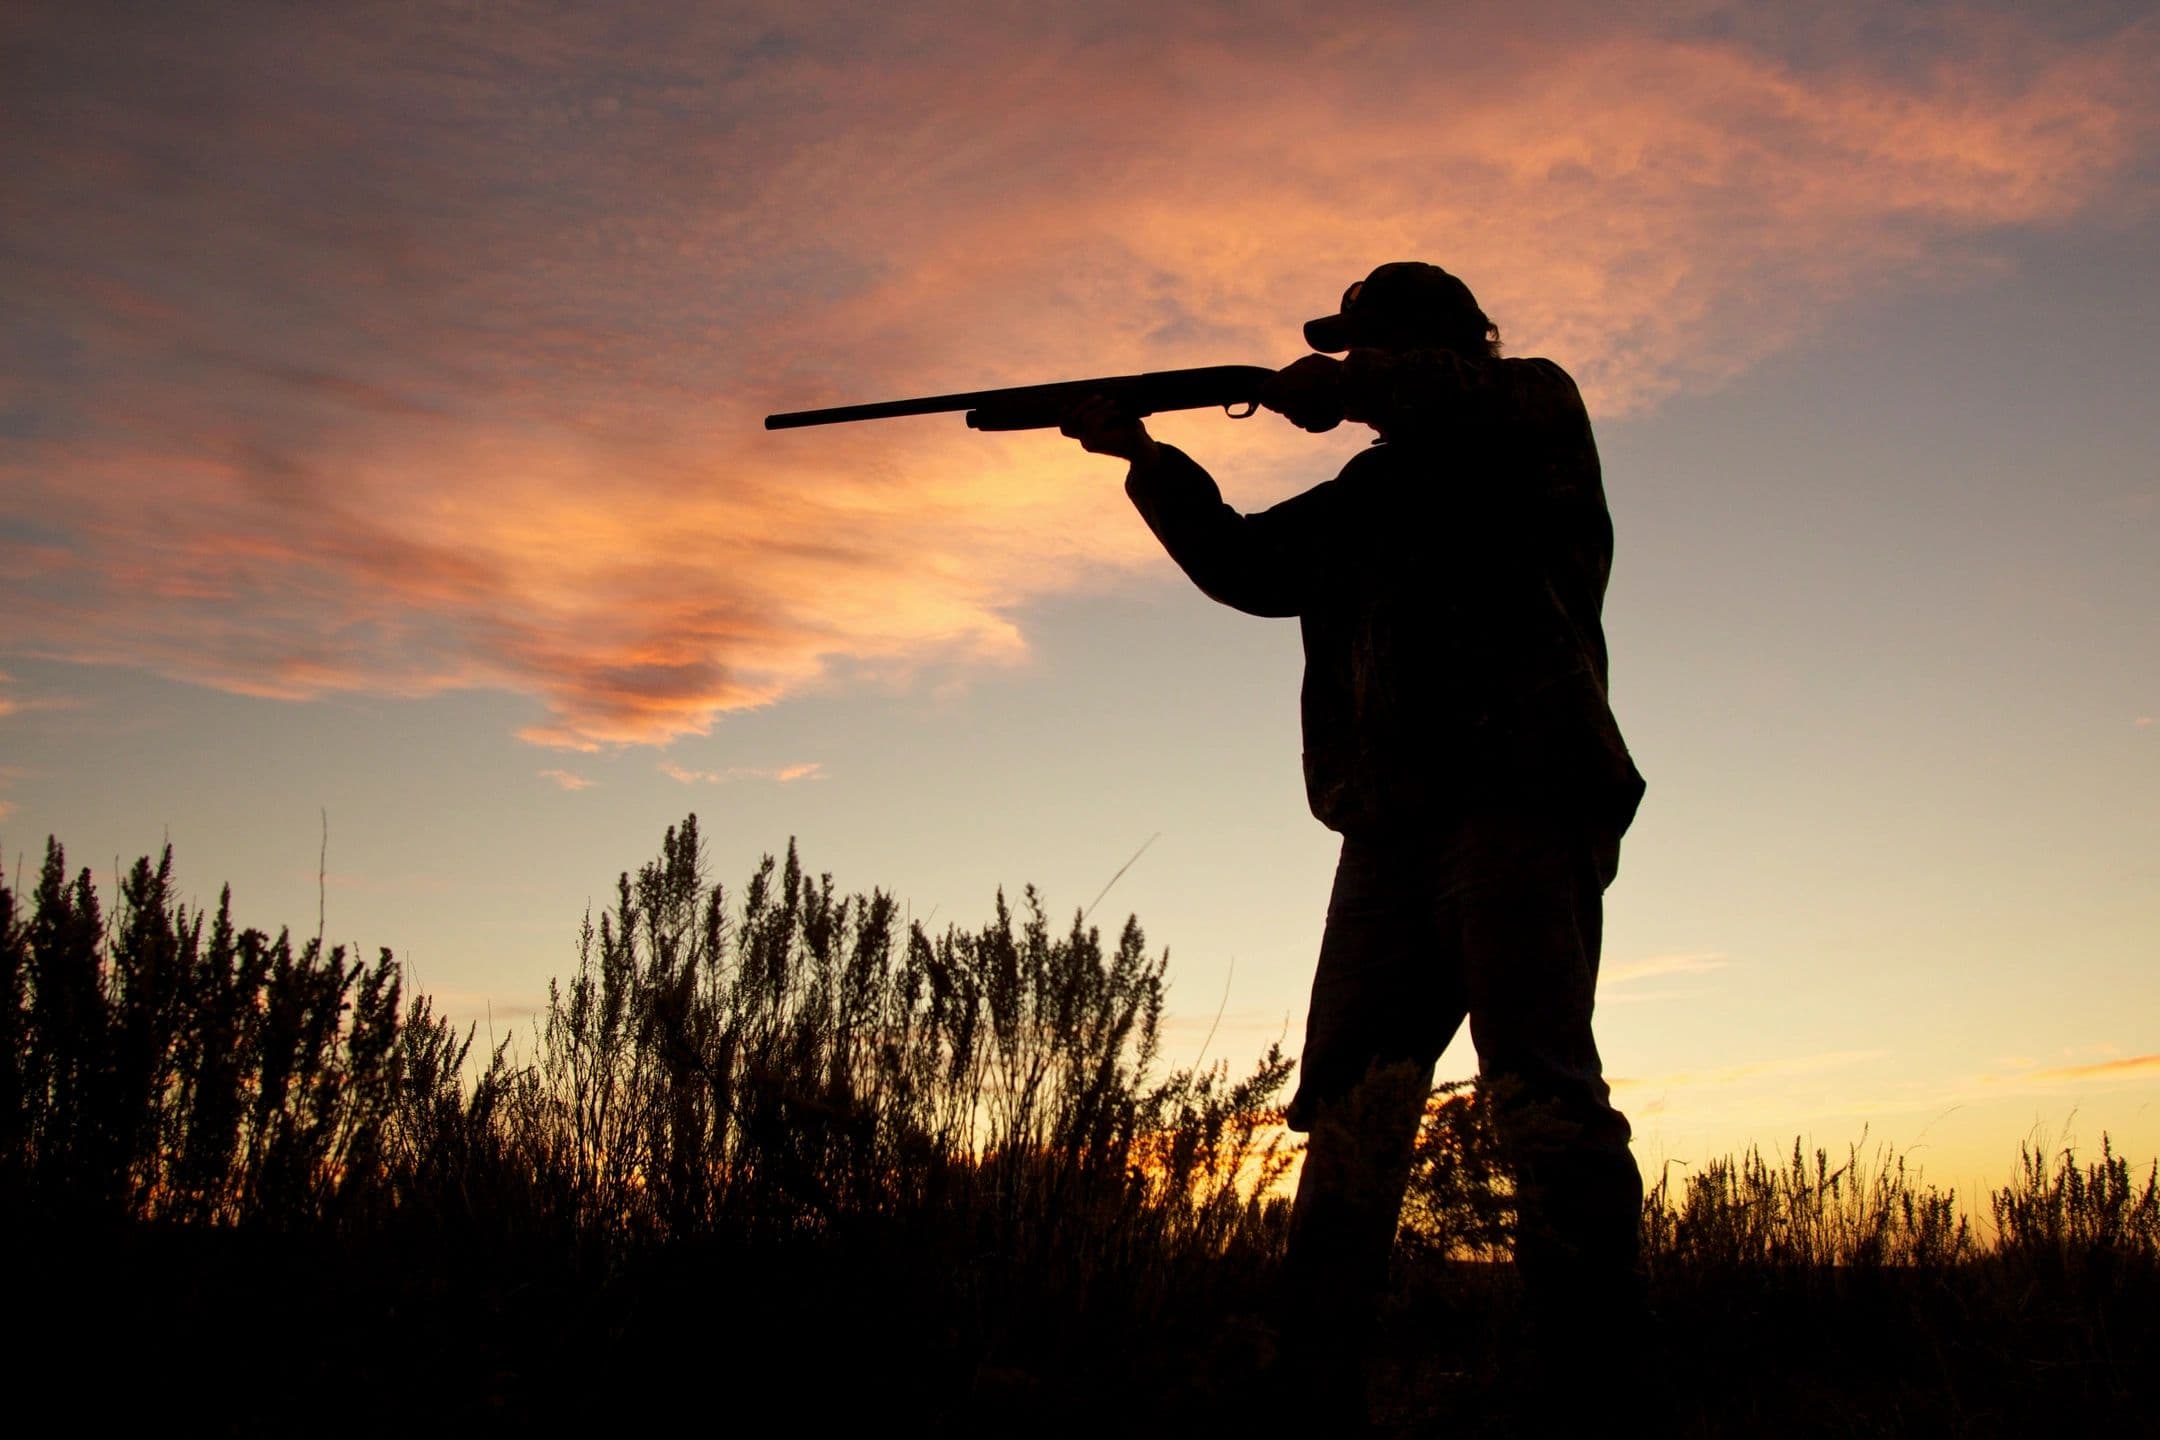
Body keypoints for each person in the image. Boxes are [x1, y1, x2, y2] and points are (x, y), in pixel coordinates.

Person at [1060, 261, 1649, 1411]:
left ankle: (1599, 1389)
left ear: (1420, 346)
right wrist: (1139, 456)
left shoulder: (1532, 411)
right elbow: (1242, 567)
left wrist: (1343, 385)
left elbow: (1449, 392)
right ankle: (1314, 1383)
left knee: (1540, 1094)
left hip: (1521, 795)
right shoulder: (1368, 496)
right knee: (1349, 1109)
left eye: (1362, 346)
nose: (1340, 366)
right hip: (1388, 827)